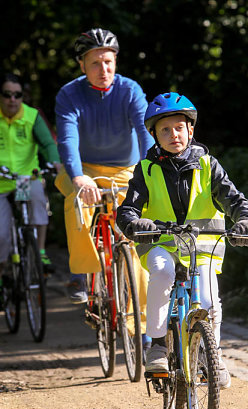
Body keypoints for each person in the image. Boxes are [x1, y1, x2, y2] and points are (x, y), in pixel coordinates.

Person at [116, 92, 248, 389]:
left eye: (179, 128)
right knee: (163, 274)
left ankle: (213, 356)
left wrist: (245, 220)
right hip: (160, 245)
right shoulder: (145, 170)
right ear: (154, 135)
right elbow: (127, 210)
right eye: (165, 130)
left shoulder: (209, 166)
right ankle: (157, 344)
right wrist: (134, 223)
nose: (173, 134)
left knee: (209, 302)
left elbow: (234, 199)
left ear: (190, 130)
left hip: (203, 248)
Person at [54, 27, 154, 338]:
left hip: (126, 170)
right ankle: (83, 274)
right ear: (82, 64)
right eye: (95, 63)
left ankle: (144, 326)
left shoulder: (130, 90)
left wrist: (154, 169)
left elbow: (144, 132)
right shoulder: (69, 94)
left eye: (108, 62)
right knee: (76, 202)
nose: (103, 70)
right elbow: (68, 140)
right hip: (83, 169)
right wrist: (79, 176)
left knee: (133, 239)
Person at [0, 72, 61, 278]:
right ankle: (2, 272)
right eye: (7, 94)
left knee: (37, 202)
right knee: (1, 235)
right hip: (1, 184)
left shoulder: (31, 116)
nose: (12, 99)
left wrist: (55, 163)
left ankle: (41, 252)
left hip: (24, 179)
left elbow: (47, 144)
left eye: (17, 95)